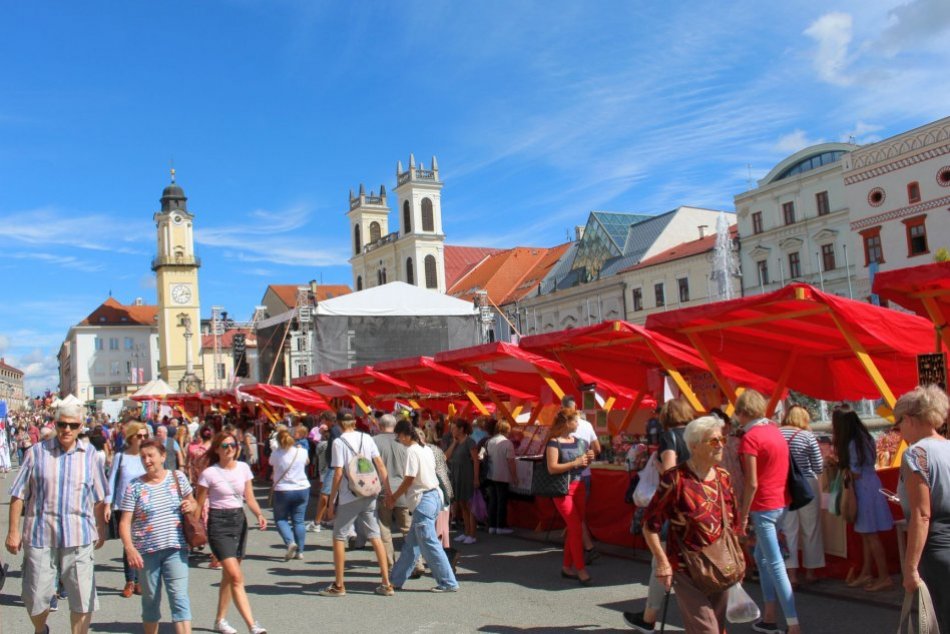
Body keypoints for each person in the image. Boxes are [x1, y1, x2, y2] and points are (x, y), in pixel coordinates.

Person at [6, 402, 109, 634]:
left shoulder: (90, 455)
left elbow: (100, 496)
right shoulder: (36, 453)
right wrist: (13, 531)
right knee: (35, 598)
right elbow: (17, 494)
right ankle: (41, 629)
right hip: (40, 535)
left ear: (80, 426)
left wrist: (101, 528)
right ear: (56, 424)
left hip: (79, 536)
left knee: (83, 597)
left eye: (73, 425)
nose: (67, 430)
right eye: (62, 424)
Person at [643, 416, 740, 634]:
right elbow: (650, 525)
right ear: (695, 446)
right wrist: (662, 562)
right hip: (687, 567)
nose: (721, 445)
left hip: (720, 565)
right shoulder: (676, 480)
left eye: (722, 439)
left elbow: (731, 521)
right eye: (714, 441)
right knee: (707, 630)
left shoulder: (723, 477)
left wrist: (737, 557)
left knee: (717, 626)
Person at [624, 397, 696, 634]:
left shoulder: (670, 437)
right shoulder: (697, 434)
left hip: (676, 504)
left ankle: (649, 617)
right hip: (699, 503)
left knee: (662, 561)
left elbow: (670, 473)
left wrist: (656, 467)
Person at [736, 389, 800, 634]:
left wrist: (742, 515)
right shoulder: (775, 432)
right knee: (764, 560)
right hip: (781, 502)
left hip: (763, 505)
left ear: (743, 412)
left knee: (773, 564)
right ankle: (770, 616)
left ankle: (793, 624)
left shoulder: (750, 438)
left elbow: (751, 482)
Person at [118, 439, 197, 634]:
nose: (147, 460)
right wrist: (129, 548)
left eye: (150, 455)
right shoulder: (134, 486)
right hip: (146, 552)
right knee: (151, 600)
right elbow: (124, 522)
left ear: (163, 456)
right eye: (143, 457)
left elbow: (193, 502)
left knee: (179, 598)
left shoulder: (178, 477)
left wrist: (191, 505)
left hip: (176, 548)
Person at [194, 432, 268, 634]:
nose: (230, 448)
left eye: (233, 445)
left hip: (239, 521)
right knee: (236, 576)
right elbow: (199, 506)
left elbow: (249, 497)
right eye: (225, 445)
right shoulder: (208, 473)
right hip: (218, 523)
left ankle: (220, 621)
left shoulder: (243, 468)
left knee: (228, 576)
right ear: (217, 449)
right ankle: (253, 625)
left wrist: (259, 515)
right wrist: (191, 531)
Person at [320, 412, 394, 597]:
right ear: (353, 422)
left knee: (338, 536)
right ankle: (386, 582)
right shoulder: (367, 438)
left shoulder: (339, 442)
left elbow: (338, 472)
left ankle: (339, 584)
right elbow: (380, 464)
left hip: (349, 494)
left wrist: (331, 501)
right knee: (375, 535)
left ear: (338, 424)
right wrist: (388, 490)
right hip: (369, 491)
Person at [896, 385, 950, 630]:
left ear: (909, 419)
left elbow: (922, 514)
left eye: (898, 423)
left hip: (937, 549)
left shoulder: (916, 454)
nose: (899, 430)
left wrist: (910, 568)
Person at [387, 419, 460, 592]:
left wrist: (394, 497)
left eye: (399, 437)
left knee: (428, 544)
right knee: (412, 545)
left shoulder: (412, 451)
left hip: (423, 499)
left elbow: (410, 478)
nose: (399, 440)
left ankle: (448, 582)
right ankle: (395, 581)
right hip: (433, 496)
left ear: (405, 435)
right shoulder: (425, 448)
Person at [832, 407, 894, 592]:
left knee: (870, 535)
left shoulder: (851, 442)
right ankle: (867, 572)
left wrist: (842, 470)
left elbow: (855, 473)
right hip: (872, 484)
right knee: (867, 533)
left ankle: (884, 576)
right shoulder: (865, 436)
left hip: (863, 489)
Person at [545, 408, 593, 585]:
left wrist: (588, 458)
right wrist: (576, 462)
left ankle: (567, 566)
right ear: (567, 423)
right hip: (562, 489)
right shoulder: (553, 443)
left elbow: (581, 465)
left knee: (575, 528)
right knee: (575, 527)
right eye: (575, 421)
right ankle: (580, 569)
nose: (578, 424)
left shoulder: (579, 441)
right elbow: (552, 468)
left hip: (578, 485)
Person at [779, 405, 824, 586]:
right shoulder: (807, 436)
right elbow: (818, 465)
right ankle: (811, 572)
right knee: (811, 528)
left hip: (784, 485)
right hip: (806, 484)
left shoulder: (777, 434)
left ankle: (792, 575)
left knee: (788, 529)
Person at [107, 422, 148, 598]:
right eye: (140, 436)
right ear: (131, 437)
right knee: (128, 544)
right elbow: (111, 480)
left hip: (145, 506)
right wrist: (107, 504)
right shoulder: (121, 457)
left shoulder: (147, 456)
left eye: (145, 436)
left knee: (142, 543)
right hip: (124, 506)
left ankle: (139, 580)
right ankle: (130, 581)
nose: (143, 439)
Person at [562, 394, 603, 563]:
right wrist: (588, 459)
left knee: (575, 517)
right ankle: (575, 550)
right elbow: (597, 449)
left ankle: (586, 548)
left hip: (568, 476)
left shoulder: (564, 426)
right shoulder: (587, 425)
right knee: (578, 515)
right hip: (585, 475)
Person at [373, 414, 412, 570]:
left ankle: (389, 563)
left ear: (380, 426)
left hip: (383, 489)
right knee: (408, 529)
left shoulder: (374, 441)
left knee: (384, 528)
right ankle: (417, 562)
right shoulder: (404, 441)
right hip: (403, 488)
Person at [269, 427, 310, 561]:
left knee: (281, 519)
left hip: (283, 489)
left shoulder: (276, 454)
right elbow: (307, 462)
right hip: (302, 487)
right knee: (299, 520)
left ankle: (290, 542)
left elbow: (271, 463)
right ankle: (301, 551)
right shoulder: (302, 451)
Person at [445, 419, 479, 544]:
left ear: (461, 429)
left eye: (454, 428)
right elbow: (445, 457)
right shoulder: (455, 442)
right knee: (462, 505)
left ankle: (472, 534)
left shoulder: (470, 442)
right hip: (456, 476)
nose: (452, 430)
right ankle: (466, 532)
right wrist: (454, 443)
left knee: (470, 506)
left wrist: (476, 478)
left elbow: (476, 461)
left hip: (467, 476)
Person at [485, 420, 517, 535]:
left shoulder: (490, 441)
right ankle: (500, 526)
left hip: (491, 474)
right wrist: (515, 476)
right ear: (507, 430)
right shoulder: (507, 443)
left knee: (493, 500)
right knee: (501, 501)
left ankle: (492, 525)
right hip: (503, 475)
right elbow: (511, 461)